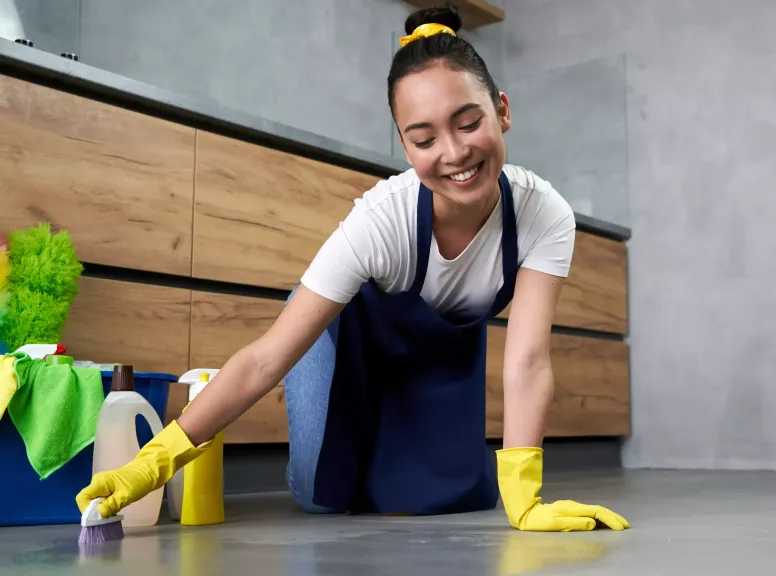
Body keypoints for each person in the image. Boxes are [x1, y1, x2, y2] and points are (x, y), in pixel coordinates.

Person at [75, 4, 629, 532]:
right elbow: (265, 359)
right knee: (322, 496)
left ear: (502, 110)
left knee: (453, 494)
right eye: (425, 139)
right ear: (406, 147)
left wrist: (525, 498)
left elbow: (528, 361)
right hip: (343, 340)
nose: (454, 153)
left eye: (468, 123)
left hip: (438, 362)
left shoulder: (541, 214)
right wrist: (152, 463)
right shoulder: (381, 220)